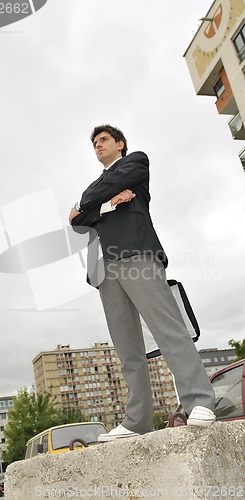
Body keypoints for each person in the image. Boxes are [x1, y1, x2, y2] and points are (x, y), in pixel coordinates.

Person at [69, 124, 215, 441]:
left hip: (135, 253)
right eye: (94, 143)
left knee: (168, 327)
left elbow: (83, 207)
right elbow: (76, 222)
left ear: (120, 144)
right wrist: (105, 204)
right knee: (127, 348)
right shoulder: (97, 184)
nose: (98, 145)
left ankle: (200, 400)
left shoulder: (136, 161)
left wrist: (88, 205)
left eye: (103, 140)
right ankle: (137, 421)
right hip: (103, 268)